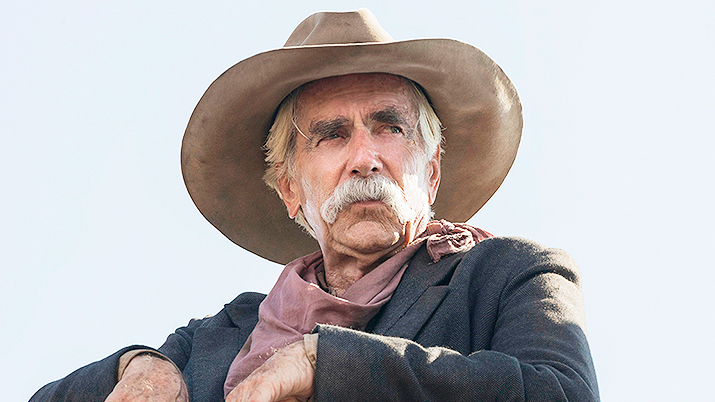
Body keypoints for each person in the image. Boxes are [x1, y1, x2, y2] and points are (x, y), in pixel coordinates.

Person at [31, 9, 599, 402]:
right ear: (289, 190)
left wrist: (322, 362)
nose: (365, 158)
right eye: (331, 135)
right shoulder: (219, 336)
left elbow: (563, 394)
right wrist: (136, 366)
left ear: (431, 173)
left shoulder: (508, 276)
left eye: (389, 127)